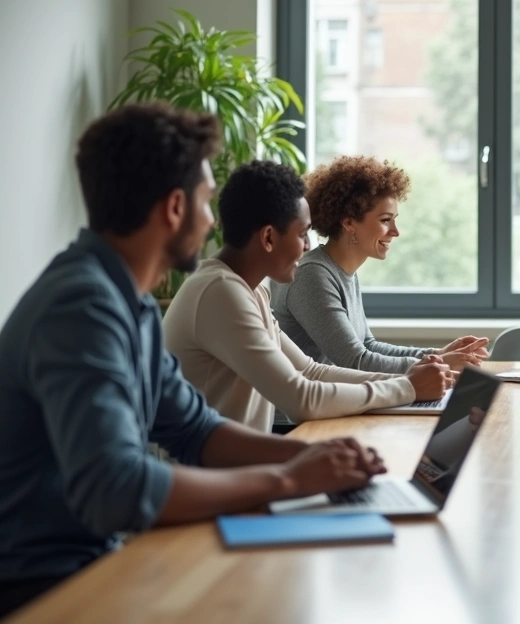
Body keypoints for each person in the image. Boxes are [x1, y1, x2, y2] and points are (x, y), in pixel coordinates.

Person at [0, 103, 385, 616]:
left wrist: (309, 458)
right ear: (174, 208)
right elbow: (117, 488)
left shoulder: (125, 302)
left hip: (99, 560)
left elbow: (195, 430)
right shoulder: (82, 307)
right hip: (47, 588)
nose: (211, 222)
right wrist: (288, 480)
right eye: (206, 202)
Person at [162, 161, 453, 433]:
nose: (306, 248)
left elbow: (310, 370)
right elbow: (301, 399)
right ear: (268, 238)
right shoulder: (220, 292)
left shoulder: (250, 290)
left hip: (241, 469)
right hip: (211, 481)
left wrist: (409, 381)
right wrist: (408, 388)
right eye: (303, 234)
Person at [270, 155, 489, 374]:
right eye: (385, 220)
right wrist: (439, 363)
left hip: (340, 403)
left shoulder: (343, 272)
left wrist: (437, 354)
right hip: (307, 408)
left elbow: (367, 345)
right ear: (348, 222)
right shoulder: (312, 275)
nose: (395, 231)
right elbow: (356, 361)